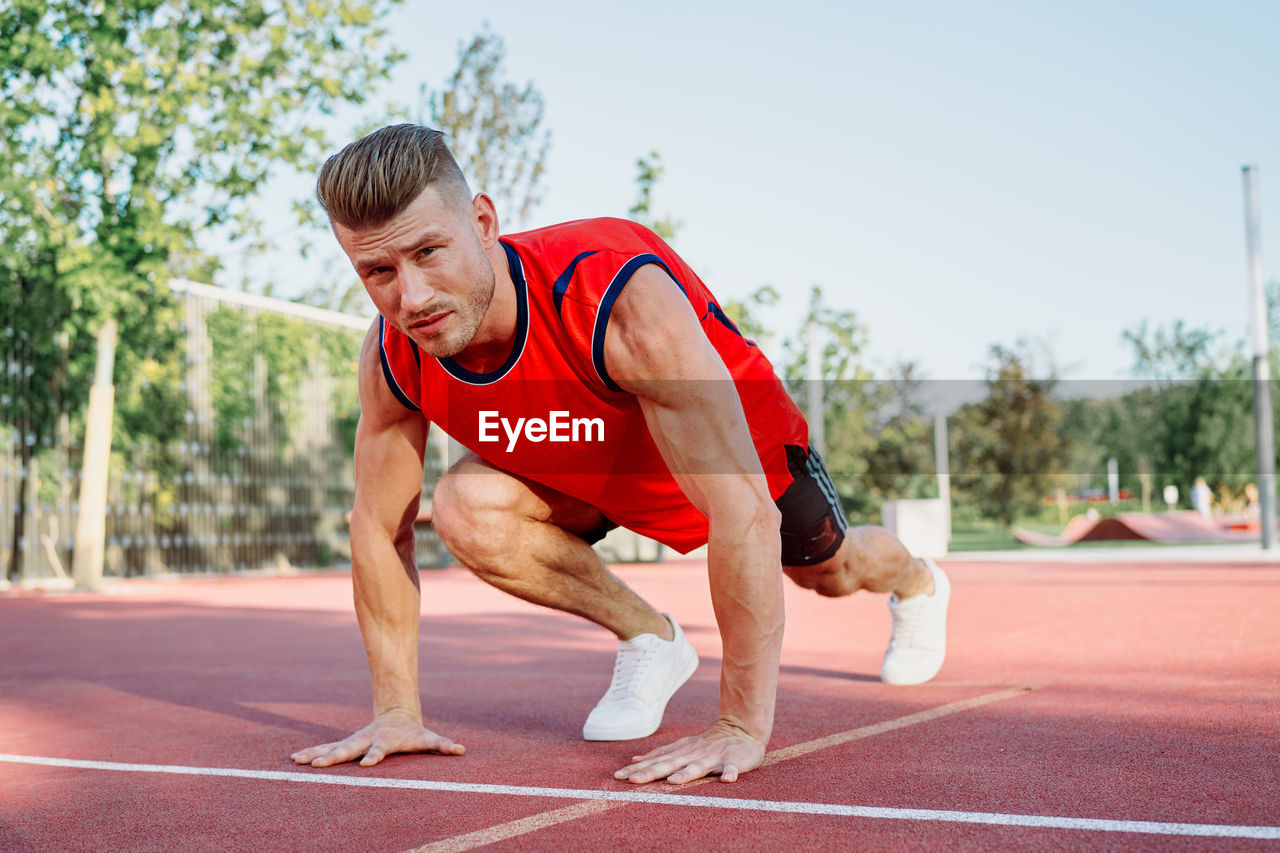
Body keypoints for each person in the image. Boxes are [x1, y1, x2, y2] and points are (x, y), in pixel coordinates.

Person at [289, 124, 950, 785]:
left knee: (831, 573)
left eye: (429, 251)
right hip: (591, 465)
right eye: (379, 271)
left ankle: (916, 580)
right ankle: (650, 637)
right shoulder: (392, 356)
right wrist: (396, 710)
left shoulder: (612, 293)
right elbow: (378, 527)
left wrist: (740, 726)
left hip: (737, 460)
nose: (412, 297)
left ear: (483, 221)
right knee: (464, 508)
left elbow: (742, 511)